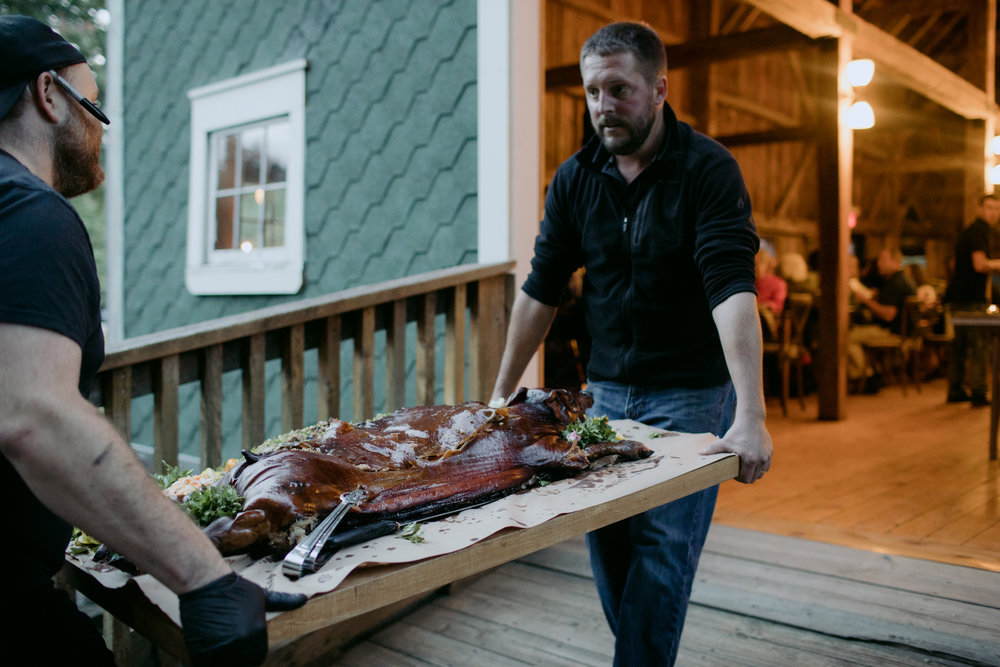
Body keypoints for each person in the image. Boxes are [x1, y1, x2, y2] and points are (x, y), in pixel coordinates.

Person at [0, 16, 304, 665]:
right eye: (95, 106)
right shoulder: (31, 214)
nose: (102, 130)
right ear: (49, 95)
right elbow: (33, 415)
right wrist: (204, 576)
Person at [489, 22, 772, 666]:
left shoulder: (707, 170)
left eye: (619, 89)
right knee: (612, 550)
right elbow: (541, 289)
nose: (603, 106)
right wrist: (500, 396)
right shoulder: (574, 178)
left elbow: (732, 289)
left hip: (694, 397)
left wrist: (751, 414)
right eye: (593, 91)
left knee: (663, 552)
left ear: (659, 88)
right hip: (607, 395)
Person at [945, 194, 1000, 406]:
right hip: (970, 299)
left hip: (959, 297)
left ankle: (955, 390)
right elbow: (979, 264)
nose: (993, 212)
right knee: (979, 345)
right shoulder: (979, 231)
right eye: (989, 207)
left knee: (959, 346)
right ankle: (978, 392)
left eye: (996, 208)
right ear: (979, 209)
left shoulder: (974, 231)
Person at [846, 247, 916, 392]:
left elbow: (888, 315)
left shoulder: (896, 283)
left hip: (891, 332)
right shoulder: (900, 280)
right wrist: (877, 298)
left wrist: (866, 301)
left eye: (883, 259)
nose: (878, 264)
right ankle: (870, 373)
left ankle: (862, 376)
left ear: (896, 261)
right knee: (856, 334)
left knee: (846, 337)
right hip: (900, 331)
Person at [755, 247, 787, 340]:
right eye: (753, 264)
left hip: (769, 324)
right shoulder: (748, 283)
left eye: (758, 264)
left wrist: (764, 306)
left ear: (767, 265)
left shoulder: (778, 283)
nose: (755, 267)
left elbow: (778, 304)